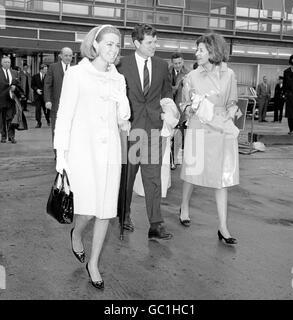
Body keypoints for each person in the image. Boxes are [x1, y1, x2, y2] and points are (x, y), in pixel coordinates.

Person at [53, 25, 130, 289]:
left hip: (110, 153)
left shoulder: (118, 79)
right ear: (95, 45)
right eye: (108, 44)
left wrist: (123, 110)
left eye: (117, 45)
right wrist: (60, 155)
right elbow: (64, 117)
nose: (113, 49)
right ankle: (76, 233)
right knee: (85, 211)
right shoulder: (77, 74)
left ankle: (94, 262)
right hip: (82, 152)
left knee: (105, 211)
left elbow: (123, 119)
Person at [179, 32, 239, 245]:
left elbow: (232, 102)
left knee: (221, 178)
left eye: (201, 50)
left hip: (221, 128)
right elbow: (183, 104)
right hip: (199, 126)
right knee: (192, 172)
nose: (197, 53)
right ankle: (184, 206)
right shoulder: (192, 76)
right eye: (197, 49)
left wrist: (229, 117)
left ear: (213, 51)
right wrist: (191, 106)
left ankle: (223, 227)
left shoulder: (229, 74)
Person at [117, 23, 173, 240]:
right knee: (127, 178)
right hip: (130, 131)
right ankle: (123, 215)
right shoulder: (122, 64)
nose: (154, 46)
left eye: (155, 41)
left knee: (153, 179)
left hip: (152, 132)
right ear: (137, 43)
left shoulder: (161, 65)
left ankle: (156, 224)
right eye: (150, 42)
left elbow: (167, 94)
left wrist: (168, 112)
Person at [44, 47, 73, 143]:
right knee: (56, 130)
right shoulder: (53, 67)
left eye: (70, 56)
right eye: (66, 55)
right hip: (56, 105)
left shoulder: (75, 69)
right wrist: (47, 100)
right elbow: (47, 85)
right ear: (60, 56)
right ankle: (58, 155)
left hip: (71, 107)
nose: (68, 58)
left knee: (70, 131)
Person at [169, 52, 190, 170]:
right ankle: (170, 159)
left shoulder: (188, 74)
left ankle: (175, 160)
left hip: (181, 111)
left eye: (179, 63)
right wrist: (176, 86)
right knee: (168, 136)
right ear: (171, 63)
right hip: (168, 108)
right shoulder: (166, 72)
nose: (177, 65)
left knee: (179, 136)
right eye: (175, 63)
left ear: (183, 62)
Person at [0, 55, 20, 144]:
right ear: (1, 63)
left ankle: (11, 136)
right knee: (2, 119)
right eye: (5, 62)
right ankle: (3, 136)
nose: (7, 64)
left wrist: (15, 88)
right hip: (1, 100)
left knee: (11, 118)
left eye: (8, 62)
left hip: (11, 100)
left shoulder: (15, 73)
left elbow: (19, 85)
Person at [31, 64, 50, 128]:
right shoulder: (35, 76)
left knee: (46, 110)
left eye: (47, 69)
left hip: (45, 96)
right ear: (41, 70)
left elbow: (50, 85)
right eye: (45, 69)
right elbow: (32, 85)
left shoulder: (48, 76)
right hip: (38, 96)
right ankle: (38, 122)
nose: (46, 70)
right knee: (38, 109)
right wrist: (36, 90)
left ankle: (48, 120)